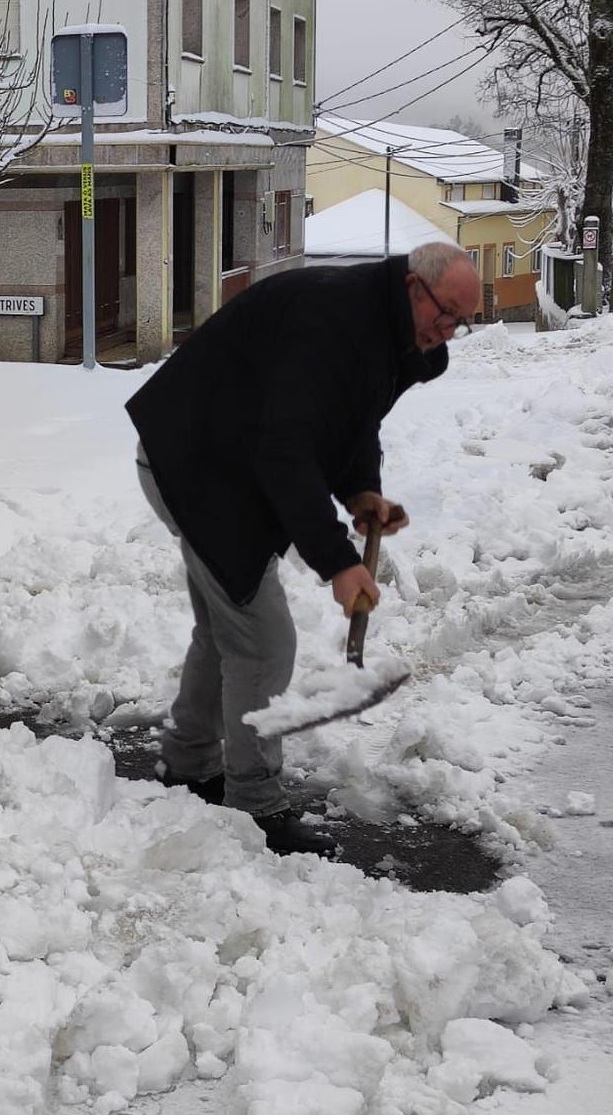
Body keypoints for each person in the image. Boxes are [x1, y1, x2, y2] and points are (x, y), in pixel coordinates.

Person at [126, 240, 483, 855]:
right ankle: (256, 805)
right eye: (445, 313)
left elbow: (353, 418)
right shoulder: (335, 321)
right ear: (412, 287)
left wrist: (361, 490)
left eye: (462, 322)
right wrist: (339, 563)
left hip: (227, 461)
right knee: (264, 641)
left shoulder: (388, 331)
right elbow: (285, 452)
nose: (448, 331)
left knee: (227, 630)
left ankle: (189, 762)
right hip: (195, 466)